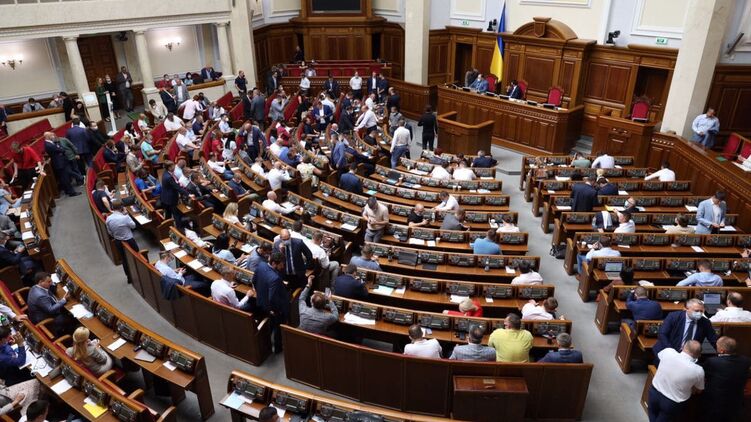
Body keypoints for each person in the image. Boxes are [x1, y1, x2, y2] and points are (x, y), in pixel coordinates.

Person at [648, 340, 704, 421]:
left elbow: (660, 357)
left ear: (683, 346)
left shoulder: (668, 351)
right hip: (672, 403)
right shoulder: (698, 371)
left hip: (654, 393)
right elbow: (699, 390)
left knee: (652, 417)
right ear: (699, 355)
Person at [701, 336, 750, 420]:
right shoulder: (746, 361)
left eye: (717, 346)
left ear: (722, 351)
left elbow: (703, 374)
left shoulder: (712, 362)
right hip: (736, 402)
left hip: (716, 404)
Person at [653, 299, 717, 357]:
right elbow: (662, 334)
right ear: (686, 309)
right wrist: (671, 351)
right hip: (668, 351)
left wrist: (721, 352)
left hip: (689, 355)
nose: (699, 313)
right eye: (696, 311)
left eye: (701, 311)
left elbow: (713, 339)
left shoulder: (705, 322)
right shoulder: (673, 317)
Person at [253, 252, 290, 353]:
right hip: (274, 308)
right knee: (278, 327)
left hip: (261, 301)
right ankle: (278, 348)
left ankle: (266, 344)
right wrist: (275, 310)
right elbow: (272, 298)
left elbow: (254, 281)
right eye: (281, 264)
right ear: (274, 263)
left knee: (269, 325)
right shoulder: (275, 278)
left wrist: (261, 294)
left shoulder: (261, 265)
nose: (283, 266)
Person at [27, 272, 72, 336]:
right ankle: (68, 332)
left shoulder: (35, 287)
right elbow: (50, 309)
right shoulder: (40, 296)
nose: (51, 283)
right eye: (49, 282)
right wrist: (64, 300)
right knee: (69, 318)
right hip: (46, 319)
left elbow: (49, 292)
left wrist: (52, 284)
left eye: (51, 281)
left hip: (43, 312)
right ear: (40, 282)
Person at [105, 200, 139, 282]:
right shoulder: (125, 217)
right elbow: (133, 226)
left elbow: (110, 232)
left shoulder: (108, 218)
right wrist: (127, 214)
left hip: (118, 242)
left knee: (124, 259)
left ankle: (129, 277)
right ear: (122, 208)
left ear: (113, 208)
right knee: (137, 256)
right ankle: (138, 274)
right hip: (129, 241)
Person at [161, 161, 191, 229]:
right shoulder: (169, 177)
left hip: (165, 198)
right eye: (173, 166)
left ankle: (167, 228)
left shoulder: (166, 173)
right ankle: (179, 229)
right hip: (171, 199)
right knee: (176, 215)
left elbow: (176, 183)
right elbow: (177, 187)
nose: (174, 167)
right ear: (169, 167)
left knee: (168, 215)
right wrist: (188, 194)